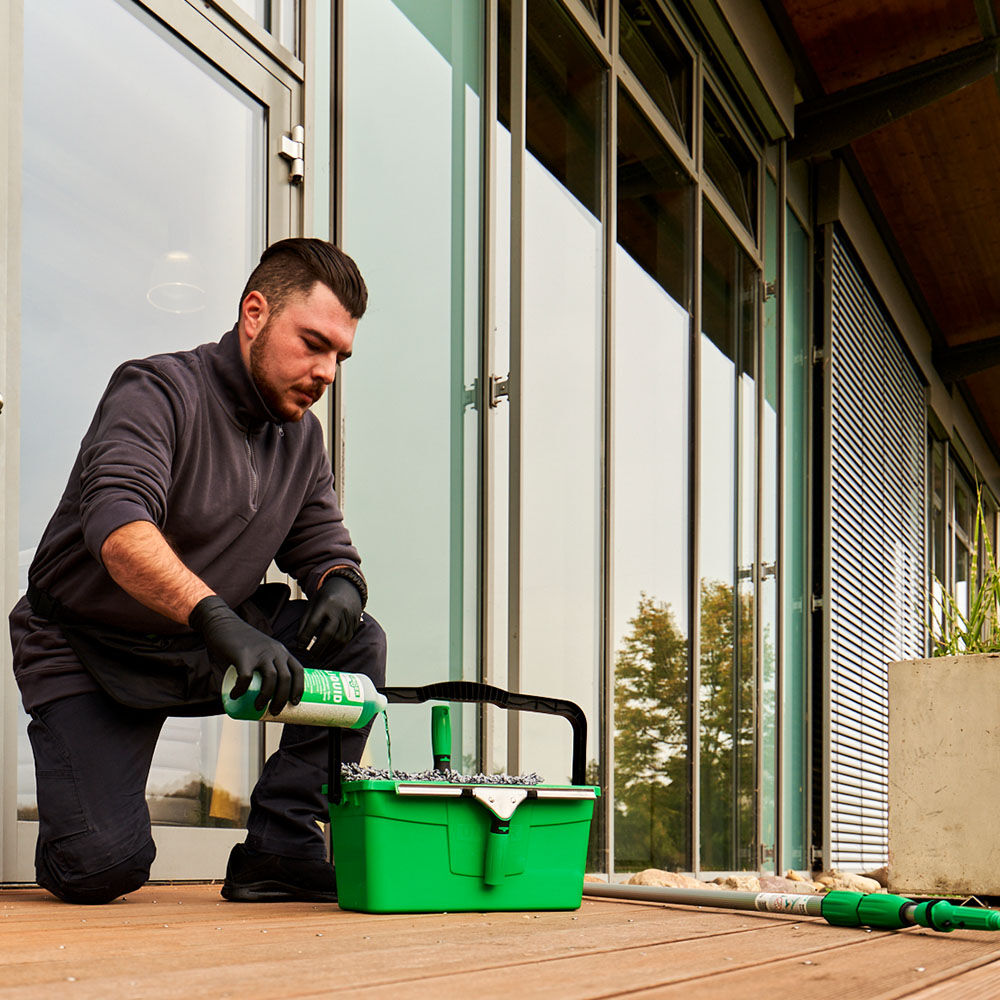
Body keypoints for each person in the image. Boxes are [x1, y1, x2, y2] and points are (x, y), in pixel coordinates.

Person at [8, 238, 385, 906]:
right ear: (254, 314)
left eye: (339, 356)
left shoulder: (301, 437)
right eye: (312, 343)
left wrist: (341, 585)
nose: (326, 371)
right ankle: (88, 829)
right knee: (100, 868)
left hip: (200, 647)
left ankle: (282, 847)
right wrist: (219, 620)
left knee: (359, 643)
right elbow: (120, 533)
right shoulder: (156, 390)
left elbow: (323, 539)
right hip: (89, 648)